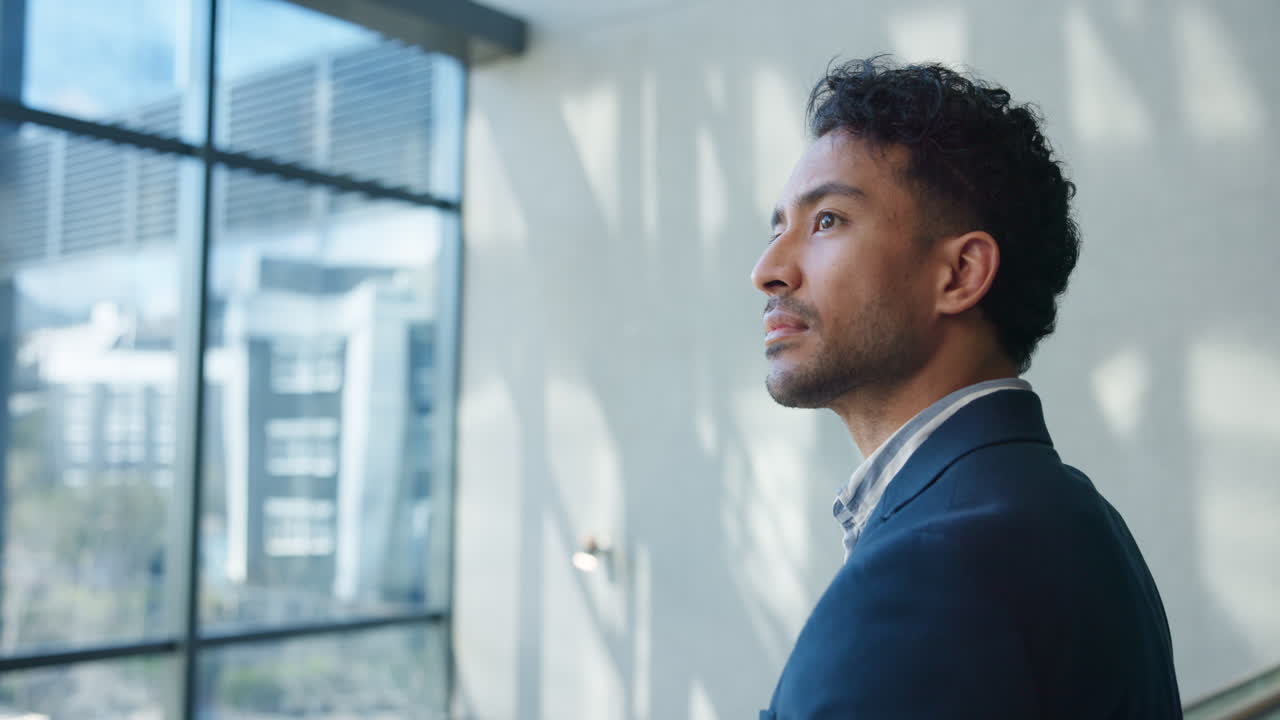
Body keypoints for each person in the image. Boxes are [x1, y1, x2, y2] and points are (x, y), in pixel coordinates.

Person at [753, 57, 1182, 719]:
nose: (769, 270)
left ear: (959, 273)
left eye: (827, 221)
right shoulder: (1071, 515)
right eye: (777, 227)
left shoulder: (933, 563)